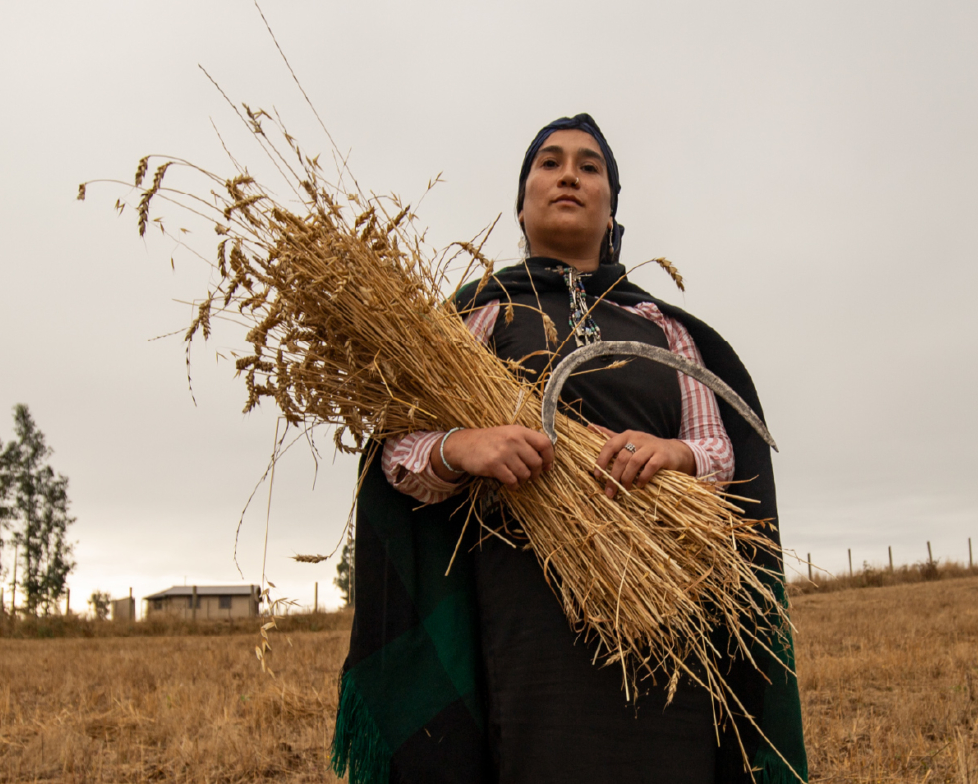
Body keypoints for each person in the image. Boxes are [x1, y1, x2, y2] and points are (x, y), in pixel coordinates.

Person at [332, 114, 806, 784]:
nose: (569, 176)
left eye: (590, 167)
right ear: (521, 204)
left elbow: (720, 455)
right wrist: (465, 446)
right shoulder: (482, 316)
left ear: (612, 206)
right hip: (531, 616)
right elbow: (399, 456)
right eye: (549, 163)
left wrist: (670, 457)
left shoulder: (663, 328)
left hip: (671, 610)